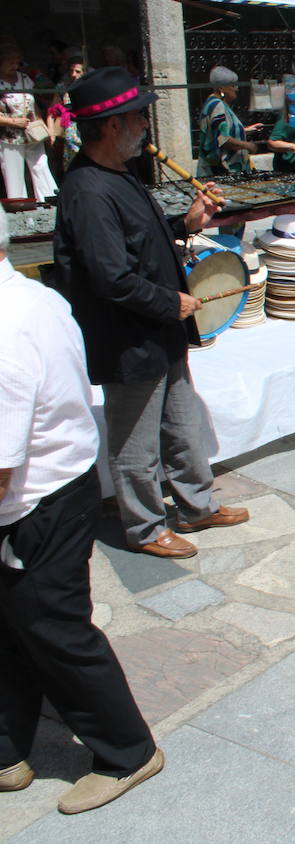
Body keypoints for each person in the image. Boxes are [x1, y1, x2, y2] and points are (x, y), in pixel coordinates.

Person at [0, 210, 165, 815]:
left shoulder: (6, 329)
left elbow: (1, 461)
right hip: (54, 485)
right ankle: (7, 748)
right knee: (13, 626)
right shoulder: (34, 297)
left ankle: (127, 750)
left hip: (35, 499)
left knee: (54, 628)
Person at [52, 67, 250, 560]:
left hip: (159, 330)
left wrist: (184, 223)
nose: (146, 125)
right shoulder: (89, 190)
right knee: (135, 443)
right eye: (139, 117)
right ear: (113, 125)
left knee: (182, 424)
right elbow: (110, 276)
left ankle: (196, 505)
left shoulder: (119, 174)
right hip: (128, 337)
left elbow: (138, 240)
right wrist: (171, 302)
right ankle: (143, 527)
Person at [196, 66, 295, 177]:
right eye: (233, 85)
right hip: (220, 171)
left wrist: (244, 131)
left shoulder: (214, 104)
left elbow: (219, 132)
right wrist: (247, 145)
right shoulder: (217, 106)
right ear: (222, 88)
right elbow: (223, 139)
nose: (236, 89)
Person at [0, 42, 58, 200]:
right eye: (10, 61)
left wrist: (41, 124)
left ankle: (50, 200)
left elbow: (34, 104)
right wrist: (12, 122)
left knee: (41, 165)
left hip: (32, 132)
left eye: (16, 61)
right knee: (14, 172)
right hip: (10, 137)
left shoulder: (24, 78)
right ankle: (20, 208)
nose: (14, 65)